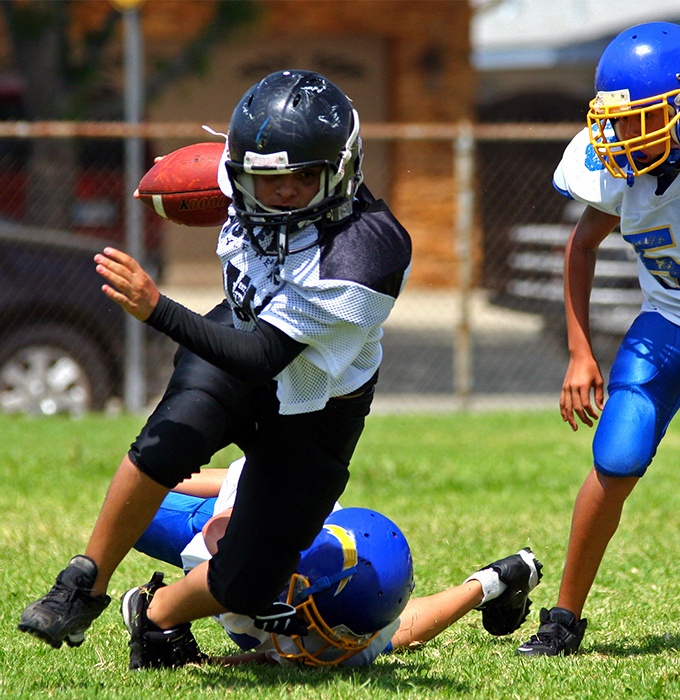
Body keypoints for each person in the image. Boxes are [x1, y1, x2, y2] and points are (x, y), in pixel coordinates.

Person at [17, 70, 412, 658]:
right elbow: (200, 185)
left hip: (315, 396)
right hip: (240, 330)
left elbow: (265, 360)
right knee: (167, 440)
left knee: (249, 582)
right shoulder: (238, 176)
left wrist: (157, 310)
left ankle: (155, 614)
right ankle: (82, 583)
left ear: (342, 169)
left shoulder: (366, 250)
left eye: (304, 177)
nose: (282, 192)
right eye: (265, 177)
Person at [517, 22, 680, 657]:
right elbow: (581, 246)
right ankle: (563, 619)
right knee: (615, 457)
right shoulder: (620, 172)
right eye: (615, 121)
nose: (620, 138)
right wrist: (581, 351)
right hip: (666, 325)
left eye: (640, 121)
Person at [127, 457, 543, 668]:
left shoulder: (365, 617)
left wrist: (486, 585)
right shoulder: (266, 533)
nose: (332, 645)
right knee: (137, 507)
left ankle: (498, 582)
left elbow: (398, 631)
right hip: (228, 516)